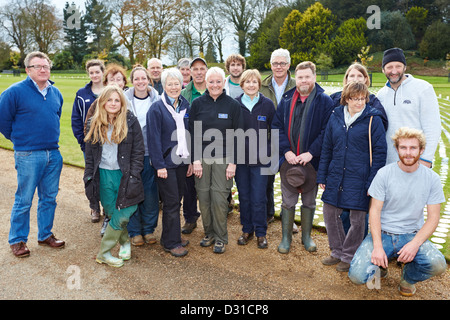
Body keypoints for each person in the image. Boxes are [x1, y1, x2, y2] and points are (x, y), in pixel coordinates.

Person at [348, 127, 447, 296]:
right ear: (396, 149)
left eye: (413, 148)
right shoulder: (384, 174)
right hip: (383, 233)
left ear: (421, 150)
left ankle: (408, 277)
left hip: (411, 234)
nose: (408, 153)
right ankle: (381, 265)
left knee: (438, 264)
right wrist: (377, 247)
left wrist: (414, 245)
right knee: (356, 276)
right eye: (403, 147)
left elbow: (433, 218)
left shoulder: (432, 179)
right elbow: (374, 211)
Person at [0, 51, 65, 258]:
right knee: (24, 199)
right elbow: (3, 121)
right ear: (28, 70)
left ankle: (45, 234)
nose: (43, 70)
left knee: (49, 198)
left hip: (53, 154)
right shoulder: (14, 92)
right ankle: (17, 240)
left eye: (46, 66)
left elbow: (56, 116)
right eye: (38, 66)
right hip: (28, 154)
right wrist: (20, 140)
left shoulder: (56, 93)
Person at [317, 82, 387, 272]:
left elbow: (380, 152)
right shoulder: (336, 116)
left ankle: (349, 256)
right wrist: (322, 174)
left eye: (363, 98)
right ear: (347, 98)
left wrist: (372, 181)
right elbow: (327, 147)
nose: (359, 102)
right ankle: (337, 251)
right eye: (355, 98)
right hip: (336, 173)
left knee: (357, 219)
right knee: (330, 214)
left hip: (360, 176)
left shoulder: (373, 119)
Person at [272, 61, 334, 253]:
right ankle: (286, 238)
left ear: (314, 77)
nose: (304, 80)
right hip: (288, 162)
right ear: (295, 79)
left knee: (309, 201)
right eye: (300, 77)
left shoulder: (324, 101)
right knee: (288, 201)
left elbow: (327, 131)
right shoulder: (287, 99)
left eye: (307, 76)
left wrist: (311, 152)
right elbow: (276, 127)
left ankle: (307, 237)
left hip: (312, 163)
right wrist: (286, 151)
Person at [84, 84, 145, 268]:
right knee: (112, 213)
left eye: (116, 100)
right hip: (102, 175)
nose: (113, 103)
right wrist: (88, 178)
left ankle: (104, 252)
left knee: (125, 213)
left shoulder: (130, 121)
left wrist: (134, 175)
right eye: (109, 99)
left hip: (124, 175)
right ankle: (125, 242)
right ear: (102, 102)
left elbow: (138, 152)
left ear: (122, 103)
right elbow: (89, 156)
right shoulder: (93, 123)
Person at [330, 62, 388, 236]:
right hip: (339, 163)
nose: (355, 79)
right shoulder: (334, 99)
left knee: (357, 213)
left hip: (359, 164)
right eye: (351, 76)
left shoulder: (373, 103)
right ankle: (341, 248)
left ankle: (356, 252)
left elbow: (379, 128)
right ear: (346, 79)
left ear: (366, 80)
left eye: (359, 76)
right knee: (337, 211)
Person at [189, 67, 244, 254]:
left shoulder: (232, 105)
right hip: (202, 159)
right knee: (204, 198)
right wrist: (195, 159)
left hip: (224, 159)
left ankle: (220, 237)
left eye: (218, 81)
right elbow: (193, 134)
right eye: (211, 81)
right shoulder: (197, 104)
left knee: (219, 199)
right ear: (205, 82)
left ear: (224, 83)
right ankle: (209, 233)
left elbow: (239, 135)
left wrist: (233, 162)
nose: (214, 85)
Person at [147, 68, 191, 257]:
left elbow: (190, 135)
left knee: (177, 199)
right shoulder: (156, 108)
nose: (173, 87)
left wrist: (190, 161)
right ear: (164, 86)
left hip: (182, 161)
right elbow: (153, 139)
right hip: (165, 163)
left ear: (181, 84)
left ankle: (169, 235)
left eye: (176, 83)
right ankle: (172, 243)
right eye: (169, 84)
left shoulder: (185, 105)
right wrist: (159, 165)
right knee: (171, 202)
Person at [83, 63, 130, 236]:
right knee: (107, 194)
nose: (116, 83)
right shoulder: (98, 105)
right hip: (103, 161)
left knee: (125, 194)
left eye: (119, 80)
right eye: (112, 80)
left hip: (123, 161)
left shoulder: (127, 105)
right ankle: (108, 220)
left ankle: (123, 226)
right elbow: (88, 131)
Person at [377, 47, 441, 167]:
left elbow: (433, 127)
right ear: (383, 70)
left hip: (415, 162)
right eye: (389, 67)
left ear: (405, 67)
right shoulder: (381, 94)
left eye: (398, 66)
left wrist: (426, 159)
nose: (394, 71)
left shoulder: (423, 88)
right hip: (388, 164)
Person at [234, 69, 275, 249]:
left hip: (261, 160)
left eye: (254, 82)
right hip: (241, 160)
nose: (251, 85)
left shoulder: (267, 105)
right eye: (247, 82)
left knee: (259, 197)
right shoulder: (234, 105)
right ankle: (247, 229)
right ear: (242, 84)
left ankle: (260, 232)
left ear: (259, 84)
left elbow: (274, 132)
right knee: (244, 196)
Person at [124, 65, 160, 246]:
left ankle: (148, 229)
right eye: (136, 79)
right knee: (132, 192)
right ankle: (135, 231)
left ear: (148, 80)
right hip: (130, 155)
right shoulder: (124, 100)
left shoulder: (157, 100)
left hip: (150, 155)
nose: (140, 82)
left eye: (143, 78)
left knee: (151, 193)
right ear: (132, 81)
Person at [259, 48, 296, 225]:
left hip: (290, 141)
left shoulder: (297, 85)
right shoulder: (262, 85)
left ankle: (288, 220)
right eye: (275, 63)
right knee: (266, 180)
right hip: (267, 139)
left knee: (290, 181)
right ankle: (268, 213)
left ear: (288, 65)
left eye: (282, 63)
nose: (279, 67)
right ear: (271, 65)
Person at [71, 59, 105, 223]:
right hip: (90, 144)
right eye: (91, 72)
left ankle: (108, 206)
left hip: (109, 144)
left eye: (97, 72)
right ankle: (94, 207)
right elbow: (76, 119)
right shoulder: (81, 94)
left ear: (102, 72)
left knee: (107, 175)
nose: (94, 75)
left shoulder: (110, 91)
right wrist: (82, 141)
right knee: (92, 176)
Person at [180, 57, 208, 235]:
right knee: (189, 184)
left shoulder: (215, 88)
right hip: (189, 142)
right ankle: (190, 218)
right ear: (189, 71)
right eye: (195, 69)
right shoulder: (184, 94)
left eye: (202, 68)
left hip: (213, 143)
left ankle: (212, 221)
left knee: (210, 185)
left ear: (207, 70)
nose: (198, 72)